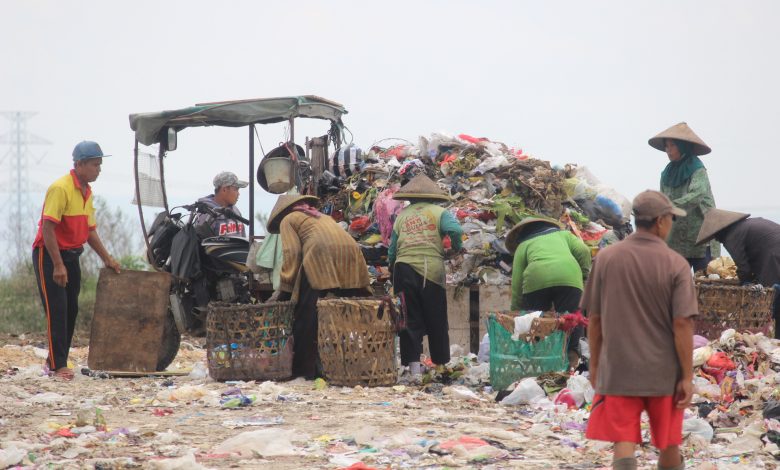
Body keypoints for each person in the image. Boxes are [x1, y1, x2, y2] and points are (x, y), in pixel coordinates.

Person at [582, 190, 697, 470]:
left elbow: (594, 319)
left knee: (624, 440)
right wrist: (686, 375)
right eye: (670, 218)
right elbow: (682, 323)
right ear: (659, 221)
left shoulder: (606, 258)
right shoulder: (676, 265)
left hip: (619, 368)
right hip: (663, 372)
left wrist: (596, 365)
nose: (671, 224)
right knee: (669, 441)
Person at [32, 141, 122, 381]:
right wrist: (58, 264)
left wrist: (108, 258)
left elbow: (90, 231)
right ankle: (58, 365)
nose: (99, 170)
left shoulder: (87, 192)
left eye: (100, 165)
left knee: (71, 309)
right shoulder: (60, 188)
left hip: (73, 255)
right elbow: (49, 228)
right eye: (95, 164)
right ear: (80, 164)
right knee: (57, 309)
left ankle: (55, 359)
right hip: (50, 255)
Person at [266, 194, 371, 379]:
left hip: (320, 256)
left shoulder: (289, 219)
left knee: (306, 315)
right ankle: (359, 365)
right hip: (352, 255)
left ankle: (303, 370)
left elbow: (292, 253)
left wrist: (285, 288)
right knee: (349, 312)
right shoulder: (323, 216)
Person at [388, 174, 463, 380]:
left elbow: (392, 249)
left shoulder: (402, 216)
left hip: (403, 269)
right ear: (433, 198)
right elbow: (455, 230)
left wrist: (390, 266)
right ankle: (440, 366)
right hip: (430, 269)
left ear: (410, 198)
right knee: (436, 317)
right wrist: (456, 248)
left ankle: (413, 369)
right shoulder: (440, 212)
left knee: (409, 317)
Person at [505, 217, 591, 368]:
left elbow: (517, 283)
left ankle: (540, 360)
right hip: (569, 275)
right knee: (571, 318)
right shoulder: (563, 235)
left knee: (537, 321)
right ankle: (572, 357)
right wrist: (584, 274)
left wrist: (517, 312)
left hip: (536, 280)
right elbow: (584, 250)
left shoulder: (523, 245)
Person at [696, 208, 780, 339]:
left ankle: (773, 341)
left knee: (772, 301)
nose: (717, 240)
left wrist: (745, 283)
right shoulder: (746, 225)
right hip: (773, 254)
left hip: (774, 258)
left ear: (720, 231)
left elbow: (743, 266)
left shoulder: (732, 236)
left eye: (715, 236)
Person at [649, 122, 718, 272]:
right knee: (676, 283)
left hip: (700, 237)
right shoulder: (666, 173)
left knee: (705, 283)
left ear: (682, 146)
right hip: (676, 240)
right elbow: (663, 199)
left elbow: (696, 195)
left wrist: (668, 207)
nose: (668, 150)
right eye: (666, 146)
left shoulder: (697, 169)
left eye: (672, 146)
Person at [193, 171, 248, 238]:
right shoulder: (206, 214)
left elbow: (243, 239)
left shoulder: (236, 211)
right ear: (224, 190)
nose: (238, 194)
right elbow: (202, 245)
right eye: (236, 189)